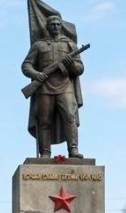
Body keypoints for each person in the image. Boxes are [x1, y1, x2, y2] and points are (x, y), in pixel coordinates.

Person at [22, 14, 84, 159]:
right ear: (47, 26)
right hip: (44, 88)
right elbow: (26, 65)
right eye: (52, 24)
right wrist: (36, 74)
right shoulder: (39, 45)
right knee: (44, 120)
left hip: (65, 87)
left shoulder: (69, 45)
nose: (55, 26)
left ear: (61, 26)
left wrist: (71, 64)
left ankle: (73, 150)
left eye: (58, 24)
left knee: (70, 117)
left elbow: (80, 69)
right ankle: (45, 152)